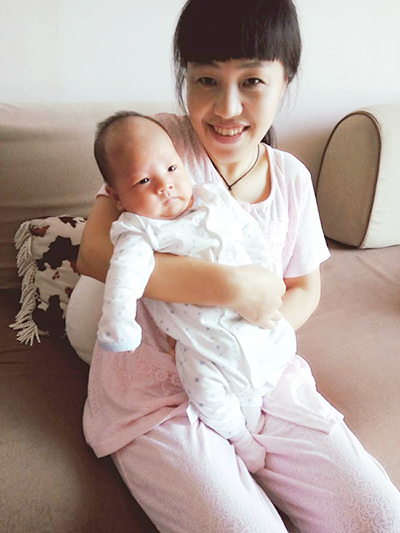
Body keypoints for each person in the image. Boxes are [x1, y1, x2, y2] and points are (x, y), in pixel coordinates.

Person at [67, 0, 400, 530]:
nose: (226, 107)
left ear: (285, 80)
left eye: (251, 81)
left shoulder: (290, 178)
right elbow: (96, 253)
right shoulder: (158, 144)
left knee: (377, 515)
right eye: (206, 80)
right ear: (185, 78)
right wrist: (231, 288)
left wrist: (250, 343)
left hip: (261, 378)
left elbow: (304, 288)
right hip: (156, 397)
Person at [94, 111, 298, 473]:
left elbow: (250, 235)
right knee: (205, 390)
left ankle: (254, 406)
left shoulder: (212, 197)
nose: (165, 186)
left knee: (277, 350)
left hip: (248, 320)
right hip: (199, 343)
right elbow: (123, 277)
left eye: (172, 168)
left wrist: (264, 278)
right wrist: (118, 324)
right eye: (144, 180)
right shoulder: (139, 231)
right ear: (117, 197)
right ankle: (240, 438)